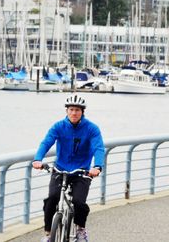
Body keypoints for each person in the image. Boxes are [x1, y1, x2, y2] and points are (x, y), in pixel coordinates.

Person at [32, 94, 105, 242]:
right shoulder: (59, 126)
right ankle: (47, 233)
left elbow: (98, 148)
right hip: (60, 169)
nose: (74, 113)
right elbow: (46, 142)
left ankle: (80, 229)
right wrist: (38, 159)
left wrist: (97, 166)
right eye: (71, 109)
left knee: (79, 203)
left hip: (82, 171)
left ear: (82, 112)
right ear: (66, 111)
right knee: (51, 199)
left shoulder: (92, 129)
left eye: (77, 110)